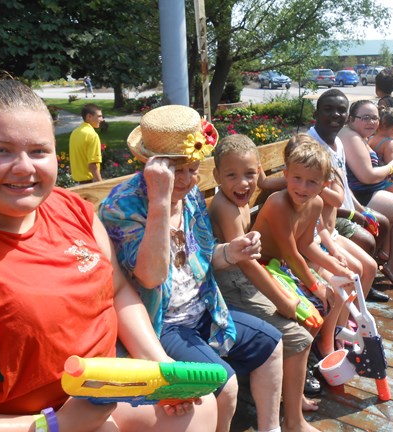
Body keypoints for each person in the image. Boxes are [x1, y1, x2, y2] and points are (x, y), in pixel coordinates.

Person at [0, 76, 217, 431]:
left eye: (39, 151)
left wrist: (159, 367)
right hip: (37, 421)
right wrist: (54, 424)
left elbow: (118, 291)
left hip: (106, 398)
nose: (25, 167)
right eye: (0, 150)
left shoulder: (68, 207)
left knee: (202, 408)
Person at [98, 105, 284, 432]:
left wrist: (232, 252)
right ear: (150, 165)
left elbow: (201, 256)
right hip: (160, 324)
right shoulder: (121, 208)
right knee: (225, 387)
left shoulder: (192, 195)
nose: (186, 180)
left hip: (206, 308)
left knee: (272, 344)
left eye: (193, 169)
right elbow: (150, 277)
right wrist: (160, 200)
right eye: (176, 171)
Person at [209, 134, 321, 432]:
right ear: (216, 176)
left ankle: (292, 398)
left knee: (311, 313)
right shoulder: (227, 207)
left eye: (249, 174)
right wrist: (282, 300)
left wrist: (302, 180)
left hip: (248, 278)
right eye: (231, 175)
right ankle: (293, 420)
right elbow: (244, 262)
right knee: (298, 338)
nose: (243, 183)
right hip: (232, 286)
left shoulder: (239, 198)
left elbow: (279, 184)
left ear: (259, 171)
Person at [252, 136, 351, 363]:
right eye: (297, 178)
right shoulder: (278, 204)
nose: (303, 188)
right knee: (312, 309)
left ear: (324, 184)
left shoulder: (315, 203)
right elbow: (290, 253)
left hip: (283, 266)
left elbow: (306, 244)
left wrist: (336, 267)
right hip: (261, 267)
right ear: (286, 175)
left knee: (330, 298)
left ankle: (305, 358)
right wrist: (316, 286)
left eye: (312, 182)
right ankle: (295, 365)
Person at [307, 89, 389, 302]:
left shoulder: (338, 142)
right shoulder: (311, 146)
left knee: (382, 223)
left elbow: (342, 181)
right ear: (316, 114)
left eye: (341, 110)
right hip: (326, 218)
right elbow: (310, 194)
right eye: (328, 110)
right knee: (367, 239)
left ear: (347, 116)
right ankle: (363, 291)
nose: (335, 115)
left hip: (340, 210)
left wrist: (361, 210)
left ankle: (366, 286)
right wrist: (353, 215)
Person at [338, 100, 393, 289]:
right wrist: (391, 167)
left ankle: (388, 255)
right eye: (365, 118)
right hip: (358, 196)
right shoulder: (352, 137)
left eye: (374, 118)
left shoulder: (358, 135)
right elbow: (366, 176)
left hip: (366, 191)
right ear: (351, 119)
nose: (371, 122)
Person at [69, 103, 104, 184]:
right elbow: (92, 165)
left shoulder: (75, 132)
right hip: (89, 183)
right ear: (89, 117)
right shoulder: (92, 135)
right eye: (99, 116)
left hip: (77, 183)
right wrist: (101, 184)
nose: (102, 119)